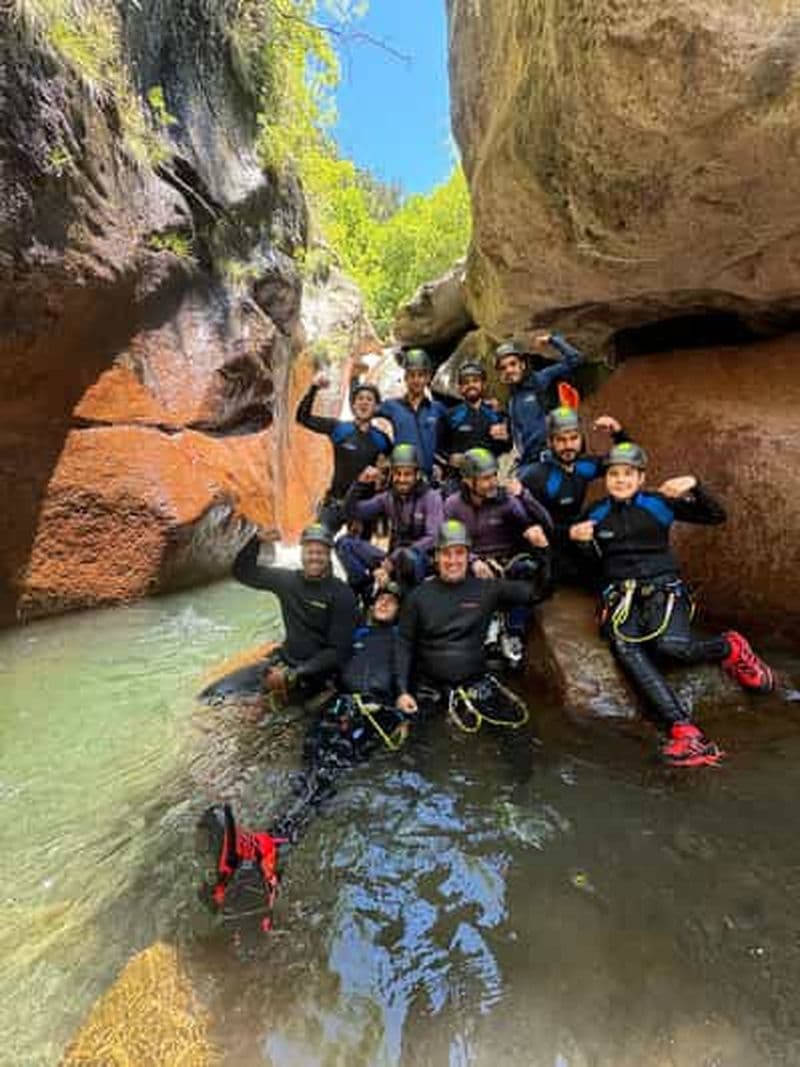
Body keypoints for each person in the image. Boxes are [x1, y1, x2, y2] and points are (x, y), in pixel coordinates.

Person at [569, 441, 775, 767]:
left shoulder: (659, 503)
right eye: (613, 474)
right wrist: (580, 544)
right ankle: (685, 731)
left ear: (641, 478)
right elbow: (588, 567)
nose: (620, 480)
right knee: (625, 646)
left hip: (665, 589)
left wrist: (696, 484)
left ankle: (728, 647)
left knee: (669, 646)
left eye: (628, 474)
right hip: (620, 595)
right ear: (605, 479)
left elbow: (716, 516)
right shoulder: (595, 513)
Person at [395, 520, 541, 730]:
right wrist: (401, 691)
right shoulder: (418, 596)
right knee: (414, 745)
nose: (453, 561)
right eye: (446, 553)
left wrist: (542, 550)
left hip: (475, 683)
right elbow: (403, 643)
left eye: (459, 553)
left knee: (514, 739)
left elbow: (538, 592)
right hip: (429, 688)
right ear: (436, 556)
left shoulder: (486, 589)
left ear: (468, 556)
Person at [444, 447, 552, 665]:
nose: (492, 482)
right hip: (472, 563)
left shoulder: (506, 500)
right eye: (485, 479)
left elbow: (545, 524)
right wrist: (473, 561)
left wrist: (524, 496)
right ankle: (487, 625)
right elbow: (448, 542)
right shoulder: (453, 505)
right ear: (467, 480)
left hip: (505, 562)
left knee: (527, 569)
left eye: (494, 476)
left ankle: (513, 632)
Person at [233, 522, 357, 701]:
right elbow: (242, 572)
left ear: (329, 555)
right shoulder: (287, 581)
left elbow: (339, 652)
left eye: (320, 552)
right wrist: (256, 540)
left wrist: (293, 675)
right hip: (286, 660)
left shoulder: (342, 594)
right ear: (302, 552)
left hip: (317, 674)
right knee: (214, 696)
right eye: (310, 552)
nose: (314, 557)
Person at [520, 405, 628, 587]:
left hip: (575, 533)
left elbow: (627, 459)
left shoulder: (584, 467)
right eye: (561, 440)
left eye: (573, 438)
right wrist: (567, 533)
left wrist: (618, 434)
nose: (568, 446)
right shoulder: (535, 476)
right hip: (549, 543)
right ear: (550, 442)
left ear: (581, 439)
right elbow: (523, 524)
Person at [337, 443, 444, 599]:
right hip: (391, 560)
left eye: (407, 474)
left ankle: (405, 596)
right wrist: (359, 484)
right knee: (344, 543)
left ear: (417, 474)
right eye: (397, 474)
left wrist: (395, 558)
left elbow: (434, 538)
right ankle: (365, 589)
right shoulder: (388, 497)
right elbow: (351, 512)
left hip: (419, 561)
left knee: (408, 558)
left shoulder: (431, 497)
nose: (401, 479)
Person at [295, 372, 392, 534]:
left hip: (361, 509)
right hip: (334, 503)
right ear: (353, 405)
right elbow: (302, 418)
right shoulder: (339, 428)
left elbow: (393, 466)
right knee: (316, 541)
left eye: (369, 399)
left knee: (358, 556)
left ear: (376, 407)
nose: (364, 403)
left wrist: (382, 475)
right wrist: (314, 388)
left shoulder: (382, 439)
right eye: (360, 399)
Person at [495, 332, 584, 479]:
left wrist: (552, 340)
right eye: (503, 368)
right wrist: (506, 436)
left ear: (522, 365)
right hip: (530, 461)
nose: (509, 370)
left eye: (513, 364)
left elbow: (575, 359)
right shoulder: (512, 402)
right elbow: (518, 438)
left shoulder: (540, 379)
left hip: (553, 455)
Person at [377, 349, 448, 479]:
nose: (416, 380)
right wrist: (384, 450)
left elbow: (455, 429)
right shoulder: (391, 406)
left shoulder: (438, 409)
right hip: (402, 477)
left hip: (429, 479)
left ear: (427, 378)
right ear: (405, 378)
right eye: (412, 375)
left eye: (421, 375)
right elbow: (364, 413)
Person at [440, 360, 510, 492]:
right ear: (460, 388)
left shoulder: (496, 415)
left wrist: (505, 439)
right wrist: (450, 458)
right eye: (466, 382)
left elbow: (506, 448)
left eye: (475, 381)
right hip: (458, 481)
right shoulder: (450, 415)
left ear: (483, 384)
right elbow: (439, 447)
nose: (471, 385)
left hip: (488, 481)